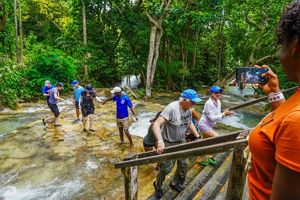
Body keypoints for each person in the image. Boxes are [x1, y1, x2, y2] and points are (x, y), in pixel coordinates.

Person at [248, 2, 300, 199]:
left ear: (295, 44)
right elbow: (281, 125)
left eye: (281, 43)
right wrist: (275, 93)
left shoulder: (297, 121)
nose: (279, 53)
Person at [152, 89, 201, 199]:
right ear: (184, 100)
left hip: (181, 141)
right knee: (166, 169)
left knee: (183, 165)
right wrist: (160, 141)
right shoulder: (172, 108)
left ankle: (175, 183)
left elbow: (189, 123)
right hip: (168, 142)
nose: (194, 104)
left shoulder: (188, 109)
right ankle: (158, 185)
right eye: (192, 102)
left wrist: (197, 137)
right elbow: (156, 124)